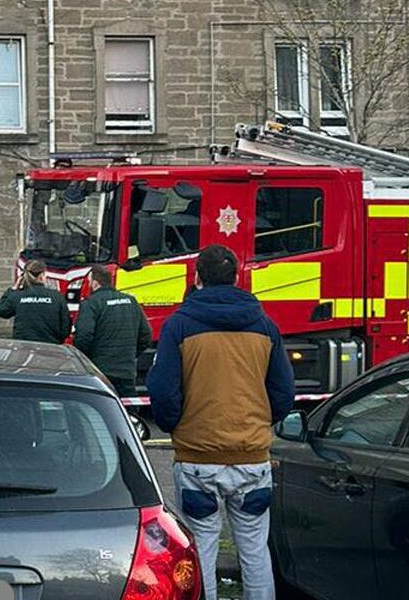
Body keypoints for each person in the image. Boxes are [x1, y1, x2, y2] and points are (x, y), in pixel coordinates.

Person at [145, 244, 295, 600]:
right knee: (256, 553)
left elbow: (164, 392)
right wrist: (258, 424)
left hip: (198, 460)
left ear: (196, 278)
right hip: (252, 460)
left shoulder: (178, 326)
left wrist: (177, 426)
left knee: (201, 553)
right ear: (236, 278)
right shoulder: (264, 326)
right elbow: (283, 392)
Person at [73, 264, 152, 397]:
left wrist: (86, 361)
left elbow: (83, 336)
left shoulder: (91, 303)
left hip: (100, 372)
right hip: (126, 372)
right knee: (128, 412)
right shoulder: (131, 301)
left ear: (94, 282)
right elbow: (146, 335)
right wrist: (129, 355)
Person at [0, 259, 71, 344]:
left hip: (24, 347)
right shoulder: (57, 297)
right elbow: (65, 329)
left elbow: (0, 310)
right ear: (42, 275)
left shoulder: (18, 296)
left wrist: (13, 288)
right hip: (50, 347)